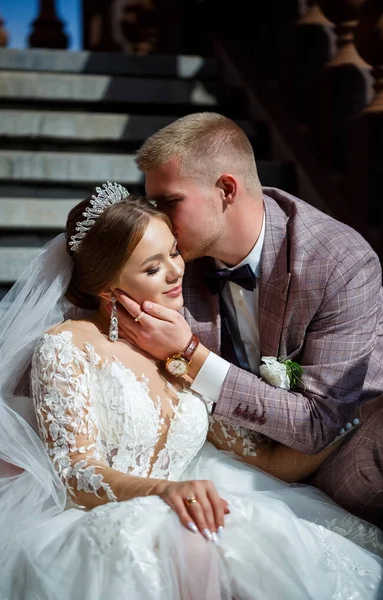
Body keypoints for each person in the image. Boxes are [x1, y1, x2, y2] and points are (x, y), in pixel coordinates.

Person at [0, 183, 382, 599]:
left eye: (174, 252)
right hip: (102, 520)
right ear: (107, 289)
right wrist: (167, 492)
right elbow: (76, 473)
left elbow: (270, 462)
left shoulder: (178, 355)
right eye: (152, 268)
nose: (176, 272)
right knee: (188, 545)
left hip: (189, 508)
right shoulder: (68, 346)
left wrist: (353, 414)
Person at [114, 111, 383, 528]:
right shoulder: (169, 263)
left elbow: (318, 424)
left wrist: (190, 355)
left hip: (340, 448)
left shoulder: (337, 261)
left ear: (226, 189)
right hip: (229, 456)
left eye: (169, 202)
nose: (158, 219)